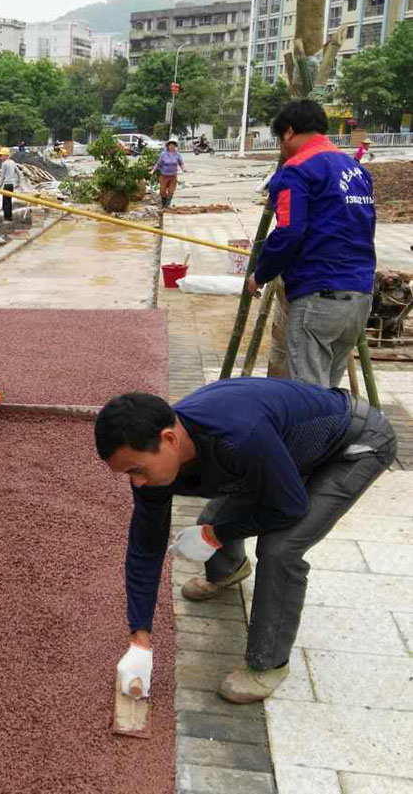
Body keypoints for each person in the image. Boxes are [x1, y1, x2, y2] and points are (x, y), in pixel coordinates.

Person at [95, 378, 395, 704]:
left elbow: (290, 508)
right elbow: (146, 547)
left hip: (355, 445)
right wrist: (140, 638)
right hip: (289, 448)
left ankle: (269, 666)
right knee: (213, 519)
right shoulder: (162, 455)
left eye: (137, 470)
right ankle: (230, 570)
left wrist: (215, 536)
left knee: (280, 548)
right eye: (127, 474)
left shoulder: (237, 436)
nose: (136, 483)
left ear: (169, 439)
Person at [248, 100, 376, 388]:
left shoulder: (297, 170)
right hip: (359, 297)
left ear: (289, 132)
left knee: (308, 399)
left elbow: (289, 232)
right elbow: (366, 226)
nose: (281, 148)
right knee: (328, 394)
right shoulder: (355, 171)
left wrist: (260, 274)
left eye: (280, 140)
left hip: (319, 296)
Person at [151, 138, 187, 209]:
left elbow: (181, 163)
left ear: (175, 146)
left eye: (173, 145)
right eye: (170, 145)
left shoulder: (177, 154)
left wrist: (183, 168)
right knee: (162, 191)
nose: (171, 147)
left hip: (173, 176)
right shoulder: (163, 154)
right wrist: (153, 171)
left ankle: (167, 205)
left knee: (171, 191)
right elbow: (158, 164)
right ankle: (164, 204)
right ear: (168, 146)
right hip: (164, 176)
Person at [0, 146, 22, 222]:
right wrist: (18, 183)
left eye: (1, 155)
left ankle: (6, 218)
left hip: (6, 185)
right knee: (9, 201)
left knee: (5, 202)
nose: (0, 157)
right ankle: (10, 217)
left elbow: (2, 176)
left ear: (6, 155)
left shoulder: (4, 164)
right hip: (12, 185)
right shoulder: (13, 162)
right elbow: (19, 173)